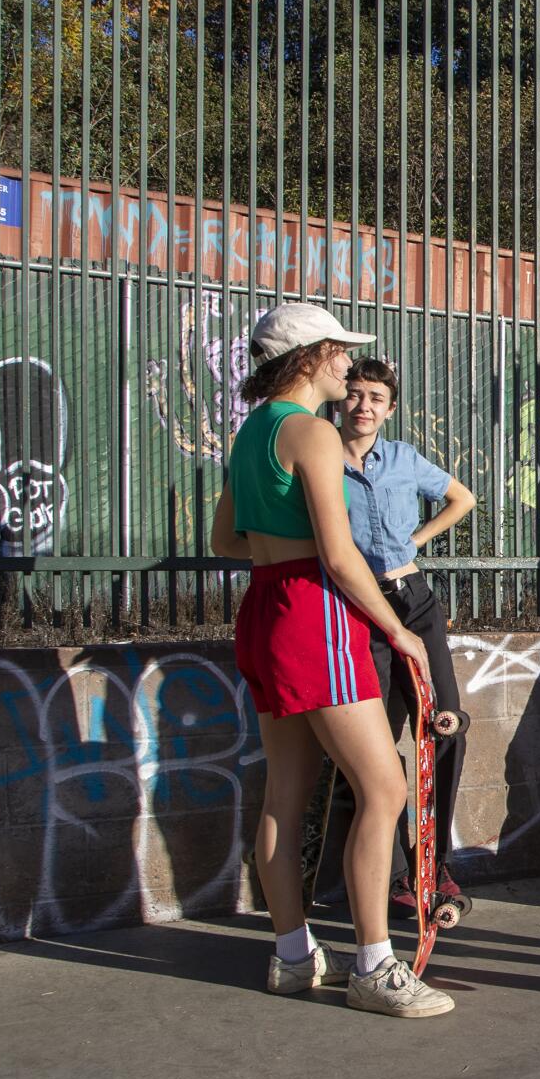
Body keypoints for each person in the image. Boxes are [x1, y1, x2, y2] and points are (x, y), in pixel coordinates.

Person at [209, 303, 454, 1019]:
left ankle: (292, 956)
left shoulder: (251, 433)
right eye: (341, 352)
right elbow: (343, 556)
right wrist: (400, 632)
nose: (350, 366)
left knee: (285, 795)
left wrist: (277, 544)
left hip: (262, 606)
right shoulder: (312, 433)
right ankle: (375, 964)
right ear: (310, 355)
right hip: (313, 612)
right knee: (385, 789)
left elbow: (226, 538)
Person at [327, 354, 478, 919]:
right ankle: (389, 877)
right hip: (355, 610)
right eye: (356, 395)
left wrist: (415, 540)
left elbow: (462, 499)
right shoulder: (321, 458)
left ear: (389, 410)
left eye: (375, 399)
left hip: (412, 601)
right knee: (373, 751)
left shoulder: (403, 459)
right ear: (341, 400)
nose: (363, 407)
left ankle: (432, 862)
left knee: (447, 726)